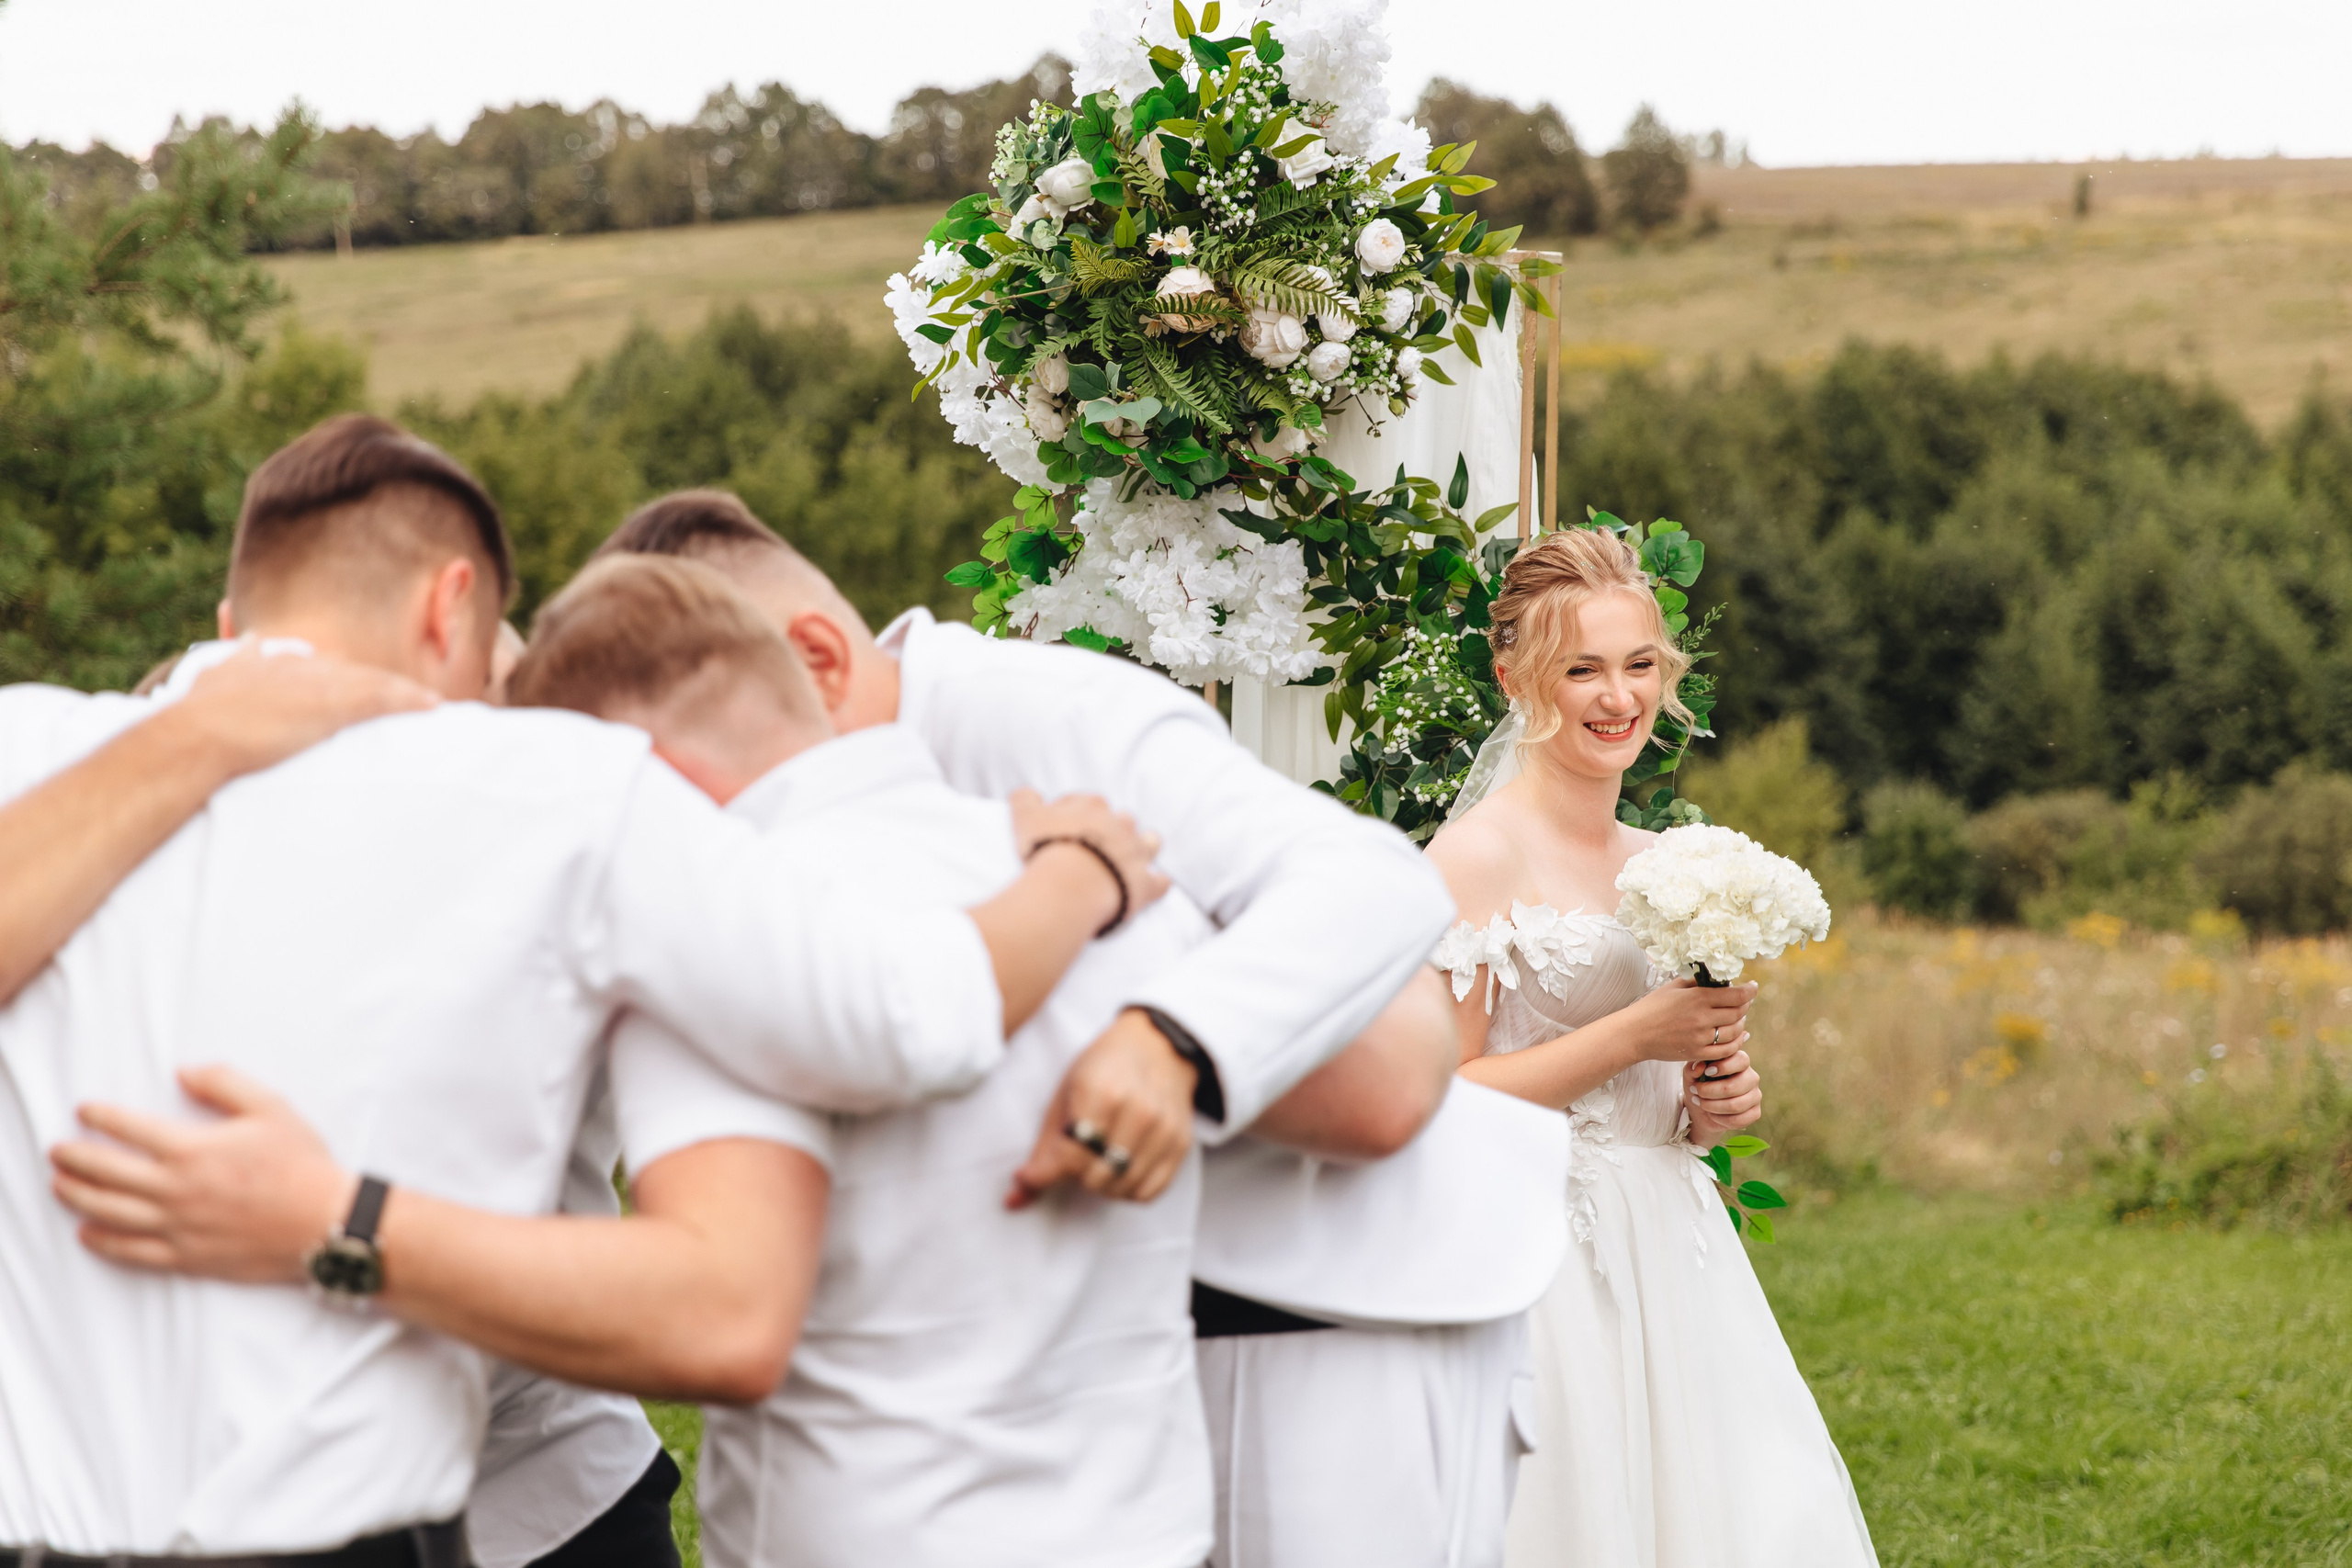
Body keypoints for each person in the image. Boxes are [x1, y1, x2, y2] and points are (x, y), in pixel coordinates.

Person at [0, 415, 1149, 1560]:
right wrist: (1079, 868)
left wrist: (199, 736)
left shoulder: (27, 752)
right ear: (451, 608)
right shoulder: (557, 789)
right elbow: (912, 1015)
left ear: (230, 620)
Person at [595, 493, 1572, 1568]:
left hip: (1347, 1307)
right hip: (1126, 1338)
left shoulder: (1039, 714)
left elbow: (1371, 886)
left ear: (814, 660)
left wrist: (1170, 1040)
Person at [1424, 528, 1879, 1568]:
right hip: (1541, 1253)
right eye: (1579, 669)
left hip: (1674, 1243)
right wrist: (1634, 1032)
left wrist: (1708, 1098)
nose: (1614, 696)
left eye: (1636, 666)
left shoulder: (1667, 861)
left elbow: (1666, 1092)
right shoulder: (1473, 857)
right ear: (1514, 675)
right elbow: (1443, 1095)